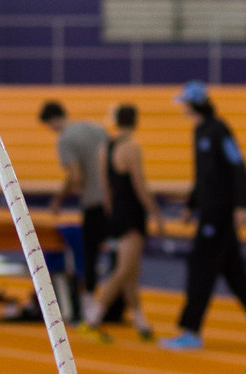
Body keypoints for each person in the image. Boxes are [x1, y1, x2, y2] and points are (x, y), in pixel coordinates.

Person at [160, 81, 246, 351]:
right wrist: (191, 205)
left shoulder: (218, 130)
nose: (182, 108)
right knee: (235, 274)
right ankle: (190, 329)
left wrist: (241, 206)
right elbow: (203, 176)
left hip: (218, 213)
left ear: (195, 103)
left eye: (185, 103)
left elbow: (237, 167)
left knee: (201, 268)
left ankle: (191, 330)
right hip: (209, 210)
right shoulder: (199, 132)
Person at [81, 105, 163, 341]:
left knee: (131, 272)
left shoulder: (104, 148)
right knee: (124, 269)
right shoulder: (131, 148)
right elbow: (140, 185)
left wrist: (111, 213)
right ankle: (93, 317)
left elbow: (105, 186)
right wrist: (156, 213)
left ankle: (140, 322)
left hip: (116, 211)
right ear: (135, 122)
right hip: (132, 213)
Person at [39, 100, 110, 320]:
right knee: (118, 255)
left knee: (89, 254)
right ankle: (118, 308)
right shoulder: (94, 128)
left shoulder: (66, 139)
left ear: (50, 121)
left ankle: (90, 306)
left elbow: (75, 176)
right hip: (114, 200)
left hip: (93, 201)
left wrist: (58, 199)